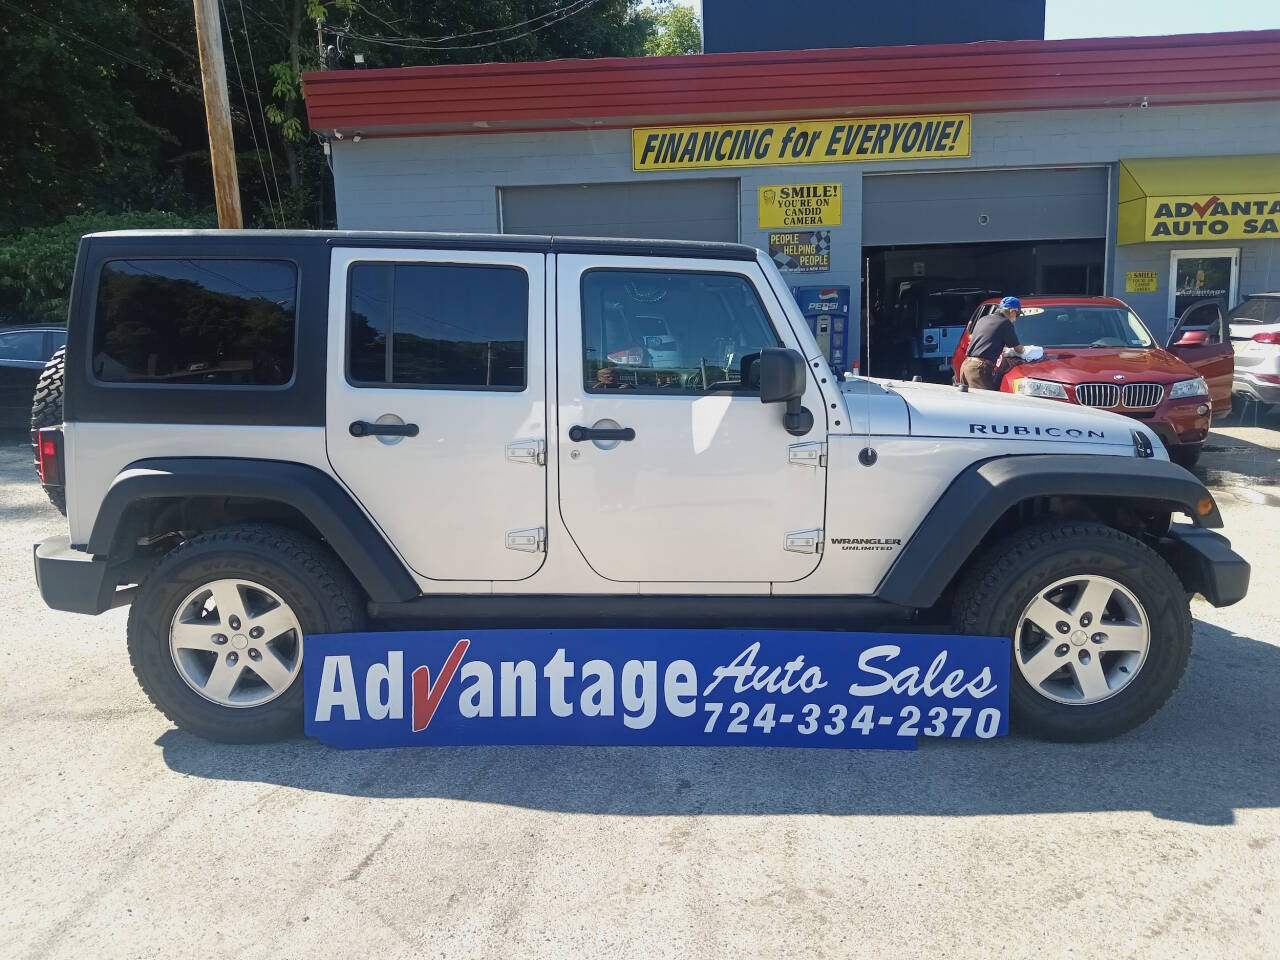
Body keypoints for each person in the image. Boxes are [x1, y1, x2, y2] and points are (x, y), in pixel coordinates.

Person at [959, 296, 1040, 390]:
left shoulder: (983, 319)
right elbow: (1019, 349)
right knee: (986, 402)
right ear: (1012, 311)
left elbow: (985, 342)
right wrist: (1031, 350)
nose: (1016, 319)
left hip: (966, 366)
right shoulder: (1005, 323)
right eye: (1017, 315)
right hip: (979, 369)